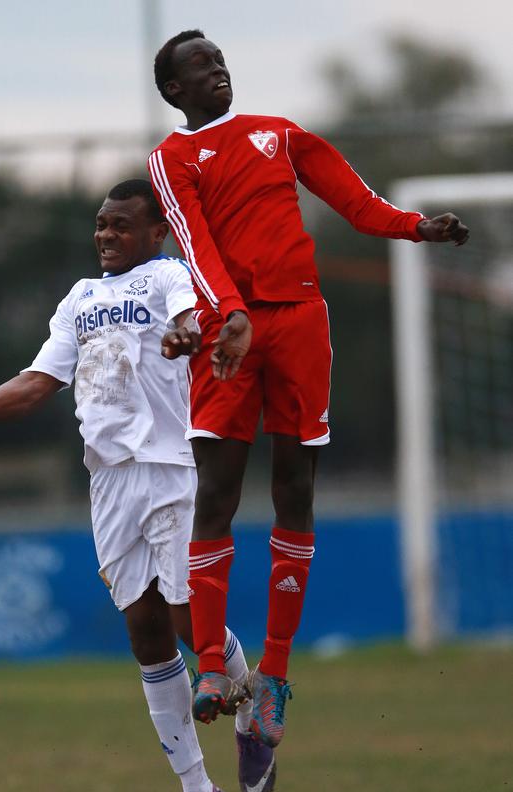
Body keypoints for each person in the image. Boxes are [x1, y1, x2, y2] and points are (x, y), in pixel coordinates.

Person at [0, 179, 276, 792]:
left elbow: (193, 316)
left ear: (155, 232)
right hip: (108, 483)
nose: (107, 235)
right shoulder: (79, 300)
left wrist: (187, 331)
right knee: (143, 630)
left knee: (185, 615)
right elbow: (39, 381)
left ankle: (253, 708)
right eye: (101, 226)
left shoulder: (168, 274)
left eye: (122, 225)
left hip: (169, 468)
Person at [149, 30, 470, 749]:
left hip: (300, 322)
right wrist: (229, 314)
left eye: (219, 58)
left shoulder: (280, 135)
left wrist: (417, 227)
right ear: (174, 91)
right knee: (217, 493)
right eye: (199, 67)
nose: (217, 69)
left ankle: (275, 676)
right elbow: (195, 244)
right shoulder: (172, 160)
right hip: (228, 330)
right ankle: (209, 666)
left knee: (295, 486)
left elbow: (357, 203)